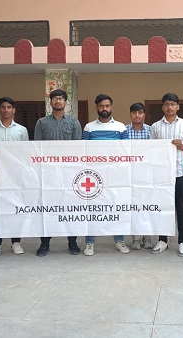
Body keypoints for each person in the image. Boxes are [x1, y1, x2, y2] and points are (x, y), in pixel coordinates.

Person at [34, 89, 82, 256]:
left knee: (71, 208)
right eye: (55, 99)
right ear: (51, 102)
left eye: (61, 99)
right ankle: (44, 243)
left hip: (69, 174)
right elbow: (38, 149)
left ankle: (72, 242)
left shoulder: (74, 123)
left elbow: (78, 150)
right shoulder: (41, 123)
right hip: (48, 174)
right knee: (46, 208)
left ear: (66, 102)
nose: (58, 101)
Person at [81, 94, 130, 256]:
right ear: (97, 107)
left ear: (112, 107)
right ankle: (89, 242)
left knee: (117, 206)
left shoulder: (121, 127)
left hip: (116, 175)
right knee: (92, 208)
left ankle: (119, 240)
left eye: (107, 106)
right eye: (101, 106)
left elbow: (127, 151)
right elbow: (83, 150)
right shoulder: (89, 127)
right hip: (94, 175)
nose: (104, 109)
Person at [150, 93, 183, 257]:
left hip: (179, 172)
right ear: (162, 107)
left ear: (178, 106)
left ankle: (182, 241)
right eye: (166, 104)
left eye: (173, 104)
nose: (169, 107)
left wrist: (182, 147)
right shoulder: (155, 127)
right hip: (162, 174)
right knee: (162, 207)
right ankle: (163, 240)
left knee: (181, 207)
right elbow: (151, 149)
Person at [0, 97, 29, 257]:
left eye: (9, 107)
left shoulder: (21, 130)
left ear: (14, 110)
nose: (6, 110)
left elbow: (25, 153)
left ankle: (15, 241)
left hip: (16, 175)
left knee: (16, 207)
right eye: (3, 107)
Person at [125, 102, 153, 250]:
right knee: (133, 207)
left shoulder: (151, 130)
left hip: (147, 174)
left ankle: (147, 237)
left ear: (144, 114)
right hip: (129, 175)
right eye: (134, 113)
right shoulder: (124, 130)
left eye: (140, 113)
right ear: (130, 114)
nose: (137, 115)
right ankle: (135, 238)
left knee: (146, 206)